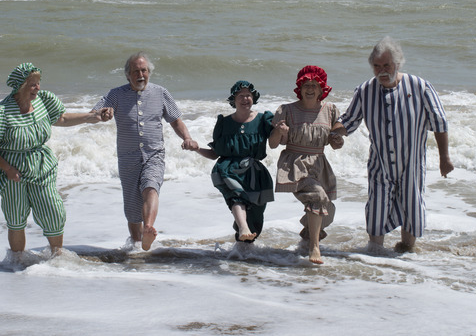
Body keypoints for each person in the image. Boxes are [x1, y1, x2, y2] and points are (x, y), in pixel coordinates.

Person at [0, 62, 111, 257]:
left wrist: (92, 116)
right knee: (16, 218)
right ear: (20, 85)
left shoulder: (43, 102)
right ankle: (17, 262)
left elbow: (61, 119)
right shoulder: (2, 113)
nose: (37, 88)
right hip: (13, 172)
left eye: (38, 83)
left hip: (41, 167)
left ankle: (58, 258)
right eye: (32, 84)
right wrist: (6, 168)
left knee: (53, 211)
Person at [332, 36, 454, 253]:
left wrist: (444, 158)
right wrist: (332, 132)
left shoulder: (419, 86)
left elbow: (439, 122)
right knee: (377, 209)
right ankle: (374, 256)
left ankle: (407, 252)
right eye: (376, 66)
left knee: (412, 208)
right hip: (380, 164)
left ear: (398, 64)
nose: (382, 71)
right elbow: (349, 120)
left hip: (411, 164)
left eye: (386, 65)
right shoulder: (364, 90)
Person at [93, 52, 198, 250]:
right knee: (132, 209)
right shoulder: (115, 94)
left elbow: (175, 120)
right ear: (127, 75)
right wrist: (104, 113)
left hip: (154, 154)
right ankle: (136, 246)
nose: (140, 74)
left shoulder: (161, 93)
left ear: (149, 72)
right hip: (127, 157)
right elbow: (96, 113)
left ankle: (148, 227)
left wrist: (187, 138)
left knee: (151, 186)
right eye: (136, 71)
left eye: (144, 70)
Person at [269, 66, 344, 264]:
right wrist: (279, 130)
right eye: (305, 85)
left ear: (322, 89)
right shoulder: (287, 110)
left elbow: (335, 142)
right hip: (295, 164)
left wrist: (337, 141)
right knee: (318, 198)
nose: (309, 89)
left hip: (319, 164)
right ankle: (314, 248)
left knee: (329, 210)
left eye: (314, 85)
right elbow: (273, 143)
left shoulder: (330, 110)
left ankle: (306, 234)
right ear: (299, 88)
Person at [188, 80, 275, 244]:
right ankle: (243, 228)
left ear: (253, 98)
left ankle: (242, 251)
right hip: (228, 169)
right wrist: (196, 148)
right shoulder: (224, 123)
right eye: (240, 96)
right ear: (233, 100)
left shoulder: (264, 120)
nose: (245, 99)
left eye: (248, 95)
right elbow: (215, 154)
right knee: (237, 197)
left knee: (256, 216)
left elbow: (277, 139)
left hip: (255, 173)